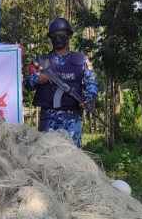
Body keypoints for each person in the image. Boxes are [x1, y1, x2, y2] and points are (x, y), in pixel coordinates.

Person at [25, 17, 97, 147]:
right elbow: (27, 84)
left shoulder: (81, 60)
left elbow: (91, 84)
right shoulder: (41, 61)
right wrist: (38, 79)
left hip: (72, 118)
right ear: (50, 38)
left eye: (61, 35)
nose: (58, 38)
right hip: (48, 117)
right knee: (46, 156)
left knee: (72, 157)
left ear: (68, 36)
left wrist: (88, 100)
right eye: (54, 36)